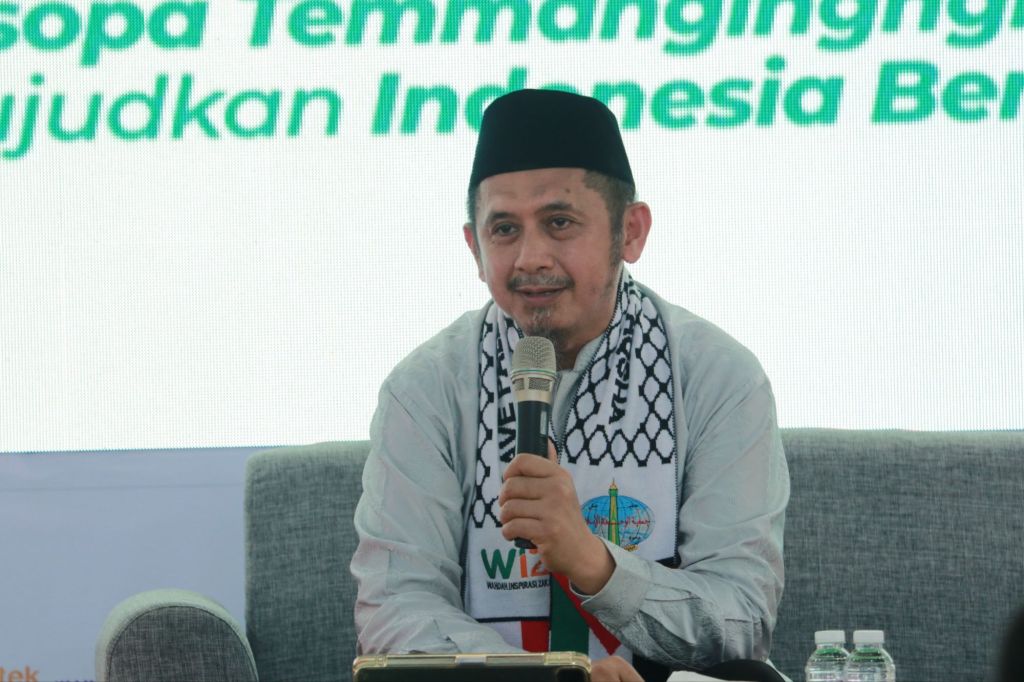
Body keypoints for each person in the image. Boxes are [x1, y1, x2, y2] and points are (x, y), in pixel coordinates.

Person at [351, 89, 790, 682]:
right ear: (474, 248)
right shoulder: (425, 390)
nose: (531, 257)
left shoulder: (717, 377)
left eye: (559, 223)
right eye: (504, 229)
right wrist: (555, 679)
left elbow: (740, 618)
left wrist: (593, 563)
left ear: (630, 232)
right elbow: (397, 609)